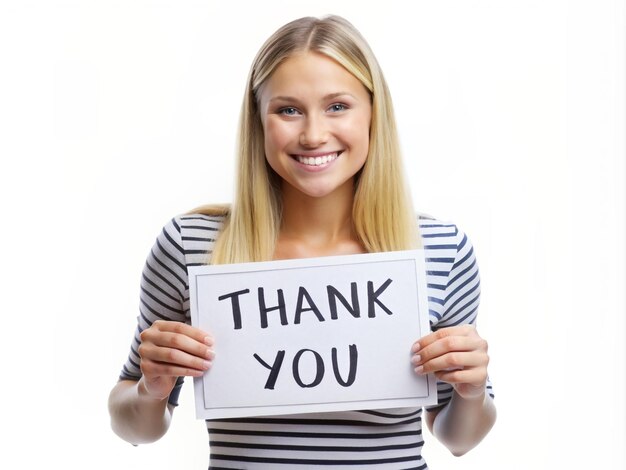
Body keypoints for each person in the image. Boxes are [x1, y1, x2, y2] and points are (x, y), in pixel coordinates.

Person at [108, 14, 496, 469]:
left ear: (374, 113)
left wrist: (471, 391)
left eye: (337, 106)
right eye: (288, 109)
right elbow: (133, 426)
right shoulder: (191, 246)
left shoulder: (438, 249)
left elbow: (458, 438)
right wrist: (151, 390)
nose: (313, 134)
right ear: (259, 121)